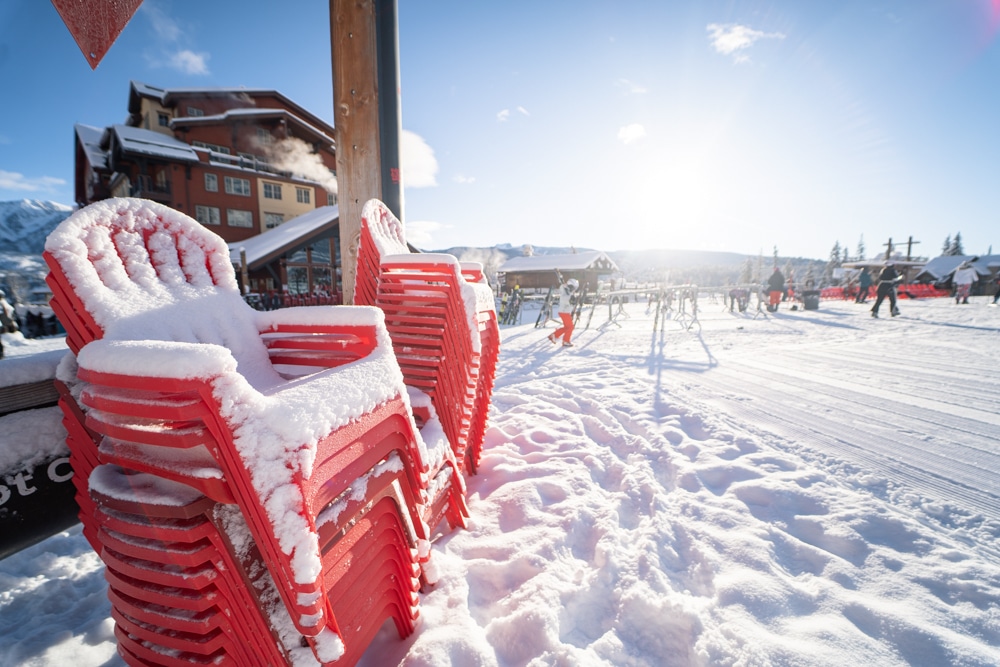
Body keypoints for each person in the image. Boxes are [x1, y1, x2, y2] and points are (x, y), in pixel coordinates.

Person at [548, 278, 578, 347]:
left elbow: (569, 300)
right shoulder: (564, 290)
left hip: (565, 311)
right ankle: (566, 341)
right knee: (570, 327)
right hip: (564, 312)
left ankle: (554, 335)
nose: (574, 289)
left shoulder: (568, 291)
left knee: (567, 327)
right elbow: (564, 299)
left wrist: (572, 301)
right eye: (574, 287)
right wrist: (570, 299)